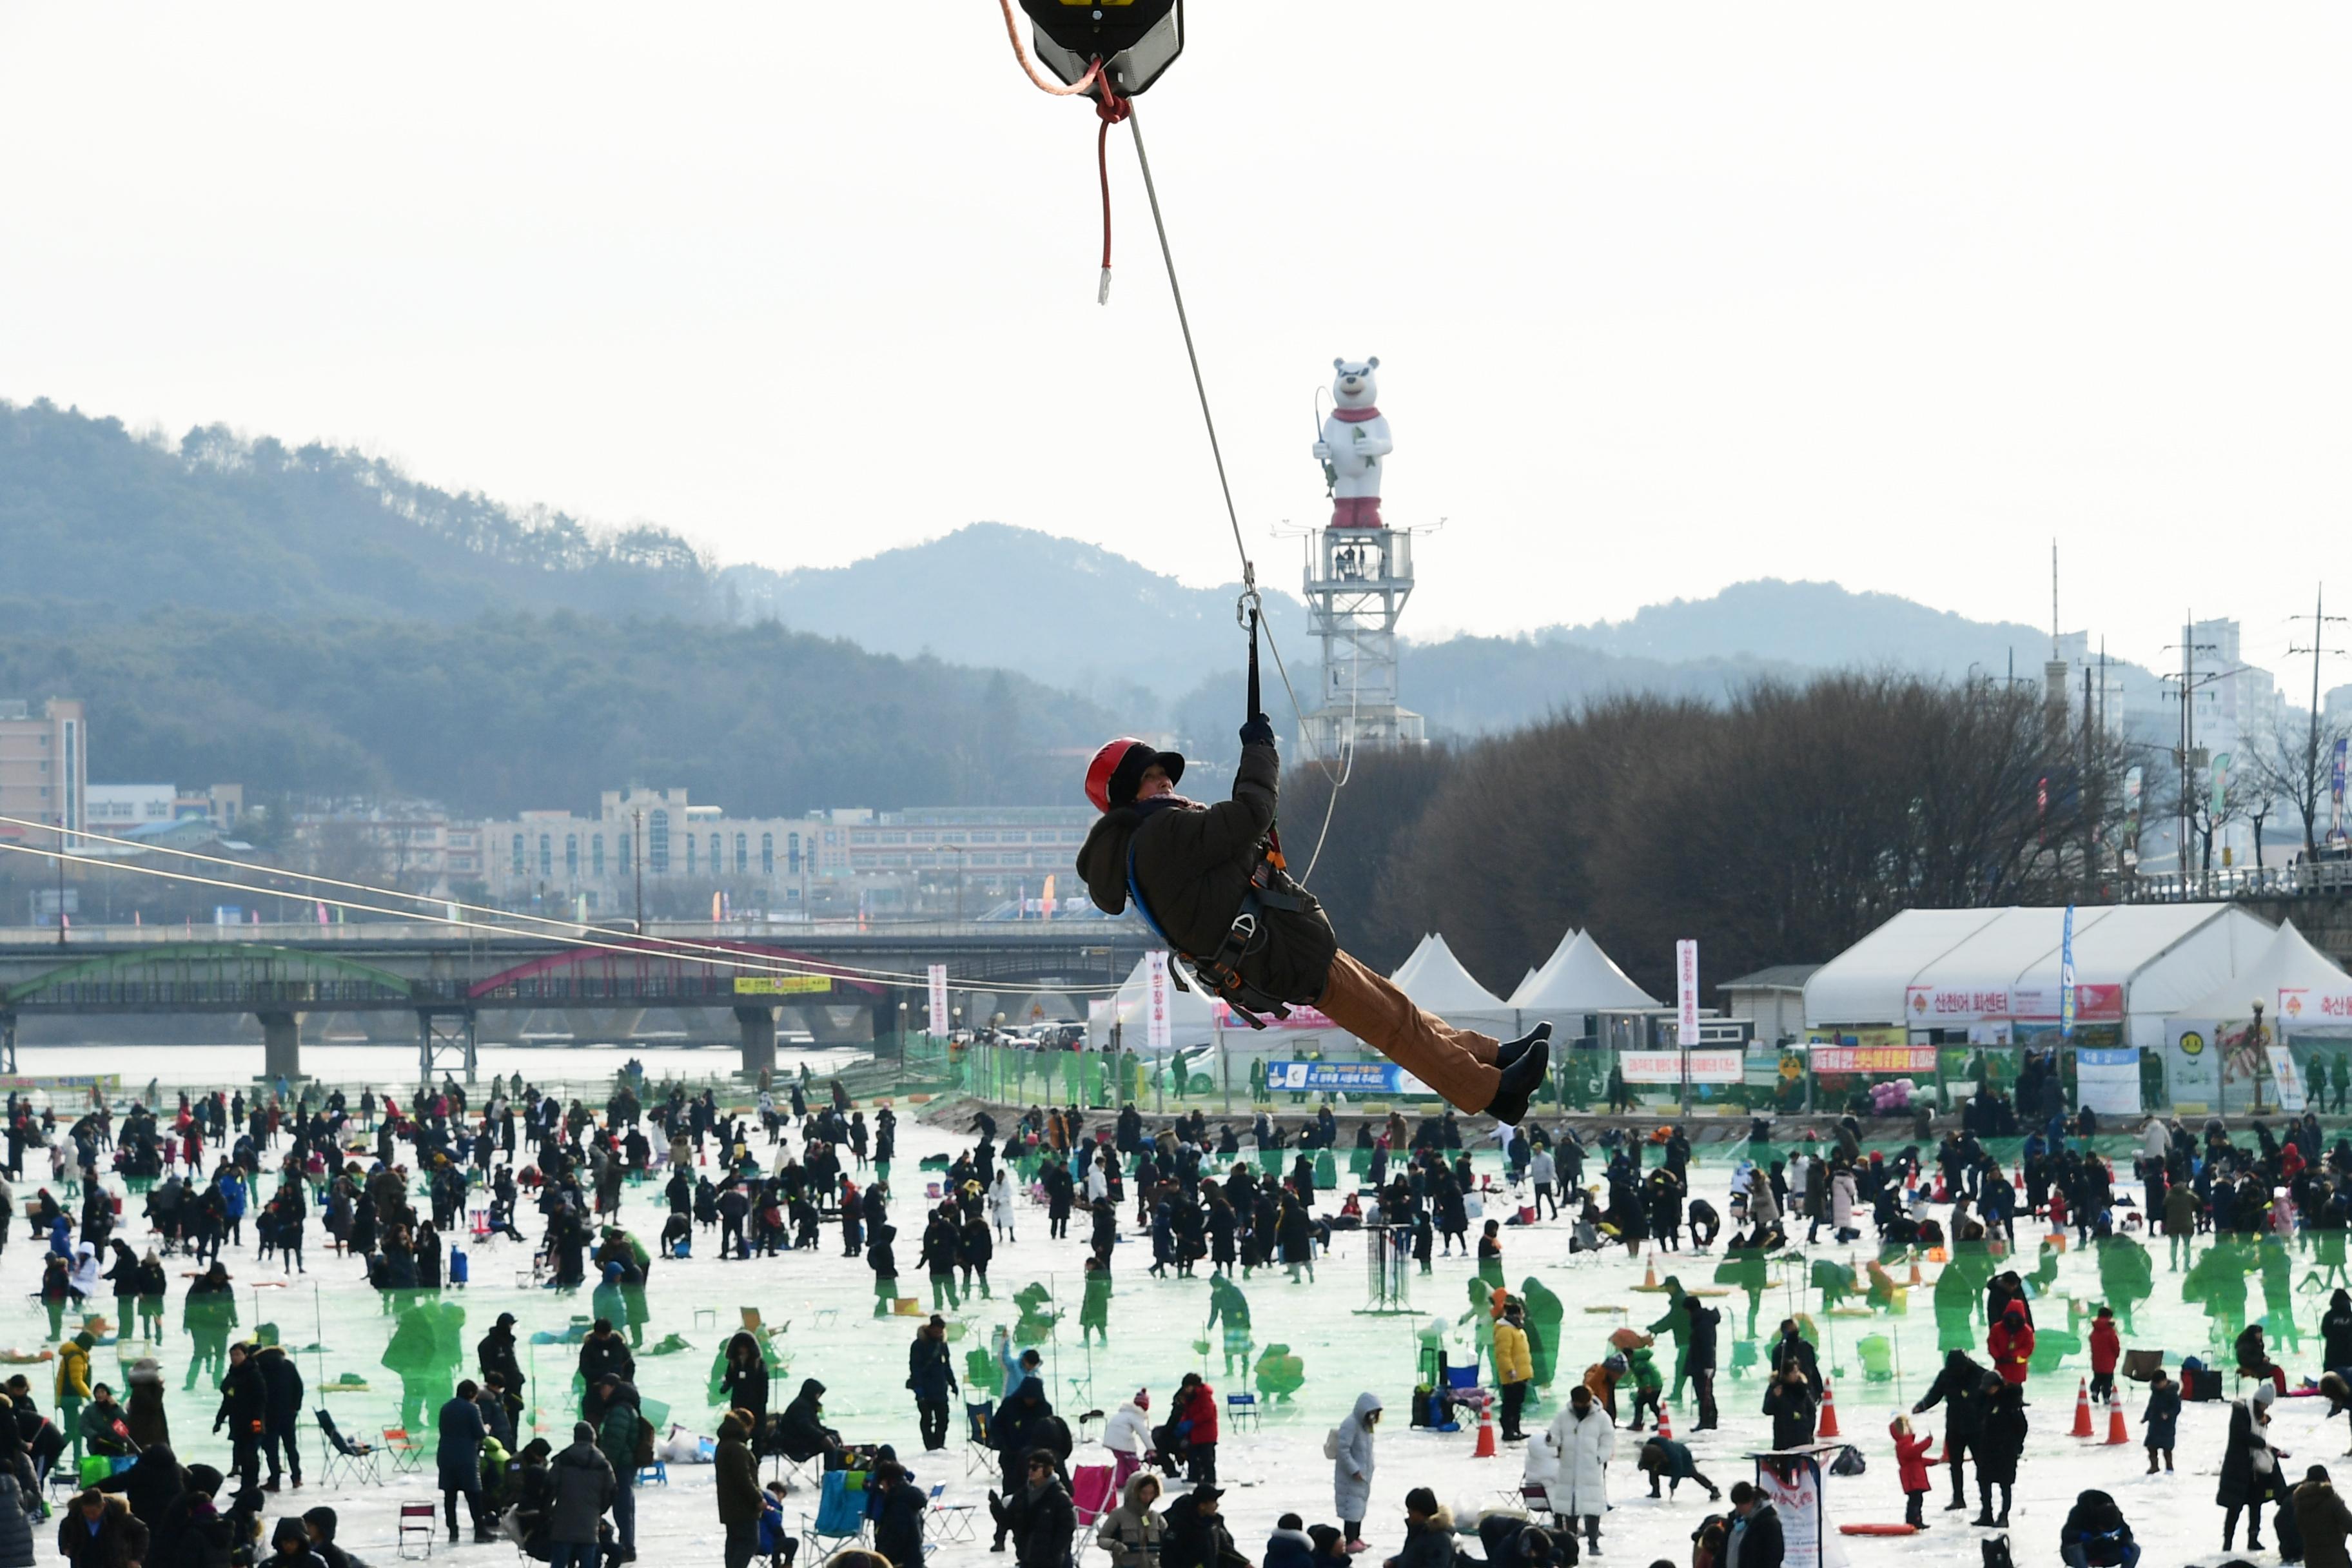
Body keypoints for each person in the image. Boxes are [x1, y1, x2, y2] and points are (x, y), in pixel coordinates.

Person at [1076, 732, 1553, 1122]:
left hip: (1279, 948)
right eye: (1148, 778)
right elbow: (1250, 815)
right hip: (1281, 953)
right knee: (1395, 1027)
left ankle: (1491, 1057)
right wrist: (1260, 751)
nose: (1162, 783)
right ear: (1124, 798)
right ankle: (1493, 1092)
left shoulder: (1151, 842)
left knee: (1398, 1011)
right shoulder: (1162, 834)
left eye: (1163, 774)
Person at [1914, 1349, 1997, 1513]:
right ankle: (1958, 1499)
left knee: (1982, 1466)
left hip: (1977, 1428)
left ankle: (1986, 1503)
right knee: (1955, 1465)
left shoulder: (1980, 1374)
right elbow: (1935, 1394)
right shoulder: (1946, 1375)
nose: (1956, 1372)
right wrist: (1922, 1406)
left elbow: (1992, 1397)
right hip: (1955, 1426)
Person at [1544, 1384, 1612, 1556]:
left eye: (1583, 1403)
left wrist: (1600, 1457)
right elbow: (1555, 1436)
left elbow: (1608, 1440)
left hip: (1591, 1468)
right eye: (1578, 1403)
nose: (1581, 1406)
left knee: (1593, 1508)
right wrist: (1552, 1439)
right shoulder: (1563, 1416)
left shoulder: (1602, 1418)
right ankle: (1571, 1544)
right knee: (1570, 1509)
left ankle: (1593, 1543)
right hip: (1569, 1468)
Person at [2220, 1383, 2280, 1554]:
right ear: (2259, 1401)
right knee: (2235, 1506)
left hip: (2255, 1469)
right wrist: (2265, 1445)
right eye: (2265, 1404)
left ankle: (2253, 1539)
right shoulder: (2241, 1411)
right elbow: (2241, 1435)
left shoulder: (2260, 1416)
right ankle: (2227, 1542)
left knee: (2256, 1504)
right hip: (2238, 1467)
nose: (2266, 1408)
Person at [550, 1420, 615, 1568]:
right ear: (593, 1438)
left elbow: (550, 1486)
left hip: (563, 1521)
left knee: (559, 1562)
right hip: (589, 1522)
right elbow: (612, 1491)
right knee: (588, 1562)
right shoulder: (603, 1463)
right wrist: (599, 1509)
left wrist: (547, 1511)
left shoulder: (563, 1458)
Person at [438, 1380, 493, 1544]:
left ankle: (453, 1531)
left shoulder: (445, 1407)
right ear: (471, 1394)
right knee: (474, 1494)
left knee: (450, 1494)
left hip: (445, 1456)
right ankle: (480, 1531)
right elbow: (479, 1433)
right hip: (465, 1457)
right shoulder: (472, 1408)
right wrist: (487, 1428)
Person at [1010, 1451, 1075, 1568]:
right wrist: (996, 1508)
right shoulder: (1023, 1494)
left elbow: (1067, 1528)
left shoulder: (1059, 1496)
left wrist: (1054, 1553)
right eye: (1029, 1467)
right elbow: (1011, 1521)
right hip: (1027, 1558)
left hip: (1050, 1562)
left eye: (1035, 1467)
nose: (1030, 1471)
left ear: (1047, 1469)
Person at [1974, 1382, 2027, 1529]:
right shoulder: (1990, 1402)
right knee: (1986, 1482)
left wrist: (2016, 1446)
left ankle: (2003, 1516)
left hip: (2005, 1452)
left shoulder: (2011, 1406)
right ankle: (1987, 1514)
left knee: (2004, 1485)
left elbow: (2021, 1428)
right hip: (1989, 1451)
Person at [1331, 1392, 1380, 1545]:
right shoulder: (1350, 1424)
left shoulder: (1365, 1427)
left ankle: (1356, 1537)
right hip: (1351, 1476)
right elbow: (1343, 1450)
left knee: (1359, 1507)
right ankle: (1350, 1540)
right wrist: (1354, 1469)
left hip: (1363, 1475)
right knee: (1351, 1508)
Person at [716, 1413, 763, 1568]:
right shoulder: (738, 1448)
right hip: (743, 1507)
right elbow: (744, 1478)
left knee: (734, 1543)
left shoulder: (723, 1445)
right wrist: (757, 1499)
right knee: (749, 1541)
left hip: (729, 1506)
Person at [55, 1489, 148, 1568]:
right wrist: (65, 1547)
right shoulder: (75, 1516)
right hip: (83, 1562)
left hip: (113, 1562)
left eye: (94, 1512)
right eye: (86, 1513)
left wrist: (136, 1558)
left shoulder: (118, 1515)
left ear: (103, 1506)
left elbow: (142, 1531)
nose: (90, 1516)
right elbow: (64, 1528)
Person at [1162, 1483, 1247, 1568]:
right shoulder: (1180, 1525)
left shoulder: (1214, 1524)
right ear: (1202, 1506)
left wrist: (1244, 1564)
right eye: (1214, 1502)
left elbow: (1224, 1548)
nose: (1217, 1505)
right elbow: (1168, 1557)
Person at [908, 1316, 957, 1454]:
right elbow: (915, 1368)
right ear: (931, 1328)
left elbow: (947, 1366)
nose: (939, 1334)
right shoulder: (918, 1345)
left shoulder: (942, 1344)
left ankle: (940, 1445)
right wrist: (919, 1391)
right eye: (937, 1331)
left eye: (941, 1331)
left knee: (944, 1419)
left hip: (941, 1389)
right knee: (927, 1419)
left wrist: (953, 1384)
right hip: (924, 1390)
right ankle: (930, 1448)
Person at [1100, 1471, 1166, 1568]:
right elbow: (1101, 1539)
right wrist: (1116, 1545)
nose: (1147, 1497)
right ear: (1134, 1492)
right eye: (1144, 1493)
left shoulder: (1156, 1517)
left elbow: (1170, 1540)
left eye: (1151, 1493)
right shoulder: (1118, 1515)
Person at [2059, 1489, 2139, 1568]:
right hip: (2083, 1553)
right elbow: (2067, 1534)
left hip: (2104, 1550)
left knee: (2134, 1549)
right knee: (2075, 1548)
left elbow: (2126, 1532)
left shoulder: (2114, 1513)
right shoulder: (2079, 1513)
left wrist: (2124, 1544)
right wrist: (2080, 1536)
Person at [869, 1459, 926, 1568]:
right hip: (915, 1560)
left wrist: (883, 1559)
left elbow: (896, 1539)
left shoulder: (897, 1504)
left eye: (882, 1485)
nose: (883, 1489)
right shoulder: (909, 1499)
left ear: (888, 1482)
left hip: (901, 1564)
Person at [2295, 1464, 2352, 1568]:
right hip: (2336, 1560)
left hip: (2312, 1561)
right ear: (2327, 1479)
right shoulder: (2332, 1500)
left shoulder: (2300, 1502)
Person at [1383, 1486, 1455, 1568]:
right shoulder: (1418, 1532)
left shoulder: (1440, 1540)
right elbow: (1411, 1556)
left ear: (1421, 1511)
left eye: (1412, 1509)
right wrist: (1394, 1561)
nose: (1408, 1512)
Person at [1637, 1435, 1719, 1502]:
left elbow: (1678, 1470)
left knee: (1692, 1473)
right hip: (1662, 1458)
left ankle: (1713, 1489)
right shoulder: (1649, 1447)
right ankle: (1656, 1492)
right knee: (1653, 1470)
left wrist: (1672, 1486)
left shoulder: (1673, 1455)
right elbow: (1644, 1459)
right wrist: (1641, 1465)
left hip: (1683, 1456)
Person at [1493, 1306, 1533, 1442]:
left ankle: (1516, 1429)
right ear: (1516, 1314)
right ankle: (1508, 1431)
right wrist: (1510, 1369)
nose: (1523, 1316)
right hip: (1512, 1375)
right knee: (1510, 1403)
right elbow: (1503, 1353)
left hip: (1522, 1373)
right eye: (1522, 1314)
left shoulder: (1517, 1329)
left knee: (1518, 1404)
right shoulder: (1505, 1331)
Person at [1725, 1482, 1783, 1568]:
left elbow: (1773, 1558)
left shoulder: (1769, 1524)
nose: (1738, 1508)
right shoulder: (1734, 1519)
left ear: (1751, 1501)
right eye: (1736, 1504)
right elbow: (1724, 1551)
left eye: (1741, 1504)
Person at [1890, 1415, 1933, 1531]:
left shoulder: (1904, 1444)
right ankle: (1914, 1521)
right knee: (1915, 1500)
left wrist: (1935, 1461)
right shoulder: (1904, 1444)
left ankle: (1914, 1520)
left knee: (1916, 1499)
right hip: (1913, 1477)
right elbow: (1914, 1452)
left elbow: (1918, 1459)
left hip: (1913, 1476)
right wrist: (1927, 1442)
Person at [2141, 1369, 2179, 1475]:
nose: (2157, 1386)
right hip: (2154, 1424)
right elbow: (2151, 1406)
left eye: (2159, 1383)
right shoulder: (2155, 1392)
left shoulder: (2172, 1393)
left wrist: (2168, 1414)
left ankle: (2169, 1468)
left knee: (2167, 1449)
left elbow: (2177, 1408)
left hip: (2167, 1426)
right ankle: (2154, 1466)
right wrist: (2146, 1417)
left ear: (2165, 1381)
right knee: (2151, 1446)